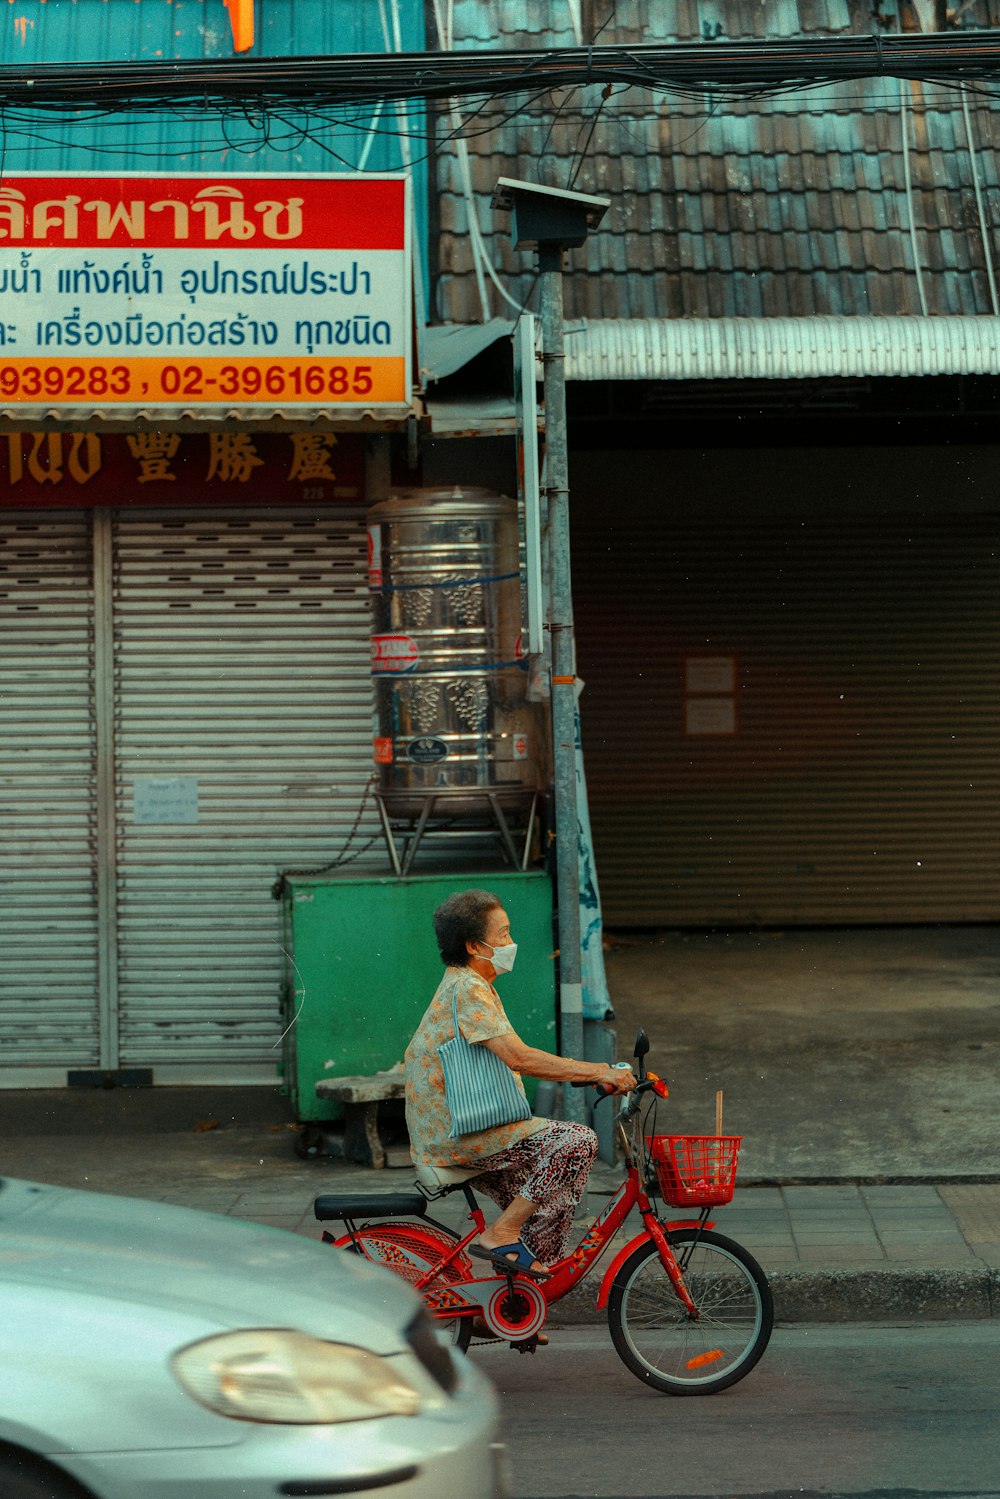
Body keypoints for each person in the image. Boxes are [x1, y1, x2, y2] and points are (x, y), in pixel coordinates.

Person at [404, 888, 636, 1281]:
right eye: (504, 934)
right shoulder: (468, 988)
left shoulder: (472, 984)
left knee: (555, 1200)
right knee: (576, 1141)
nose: (512, 944)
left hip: (466, 1129)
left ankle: (520, 1300)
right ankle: (502, 1233)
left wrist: (593, 1073)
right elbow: (519, 1058)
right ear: (475, 946)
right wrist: (599, 1071)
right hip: (458, 1134)